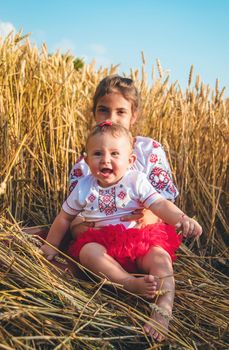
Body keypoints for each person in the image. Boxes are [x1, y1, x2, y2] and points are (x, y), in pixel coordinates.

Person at [41, 122, 202, 342]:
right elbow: (64, 217)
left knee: (161, 259)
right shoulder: (84, 186)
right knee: (88, 253)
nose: (106, 159)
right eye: (98, 153)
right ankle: (128, 282)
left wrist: (182, 218)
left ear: (130, 161)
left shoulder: (136, 180)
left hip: (138, 241)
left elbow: (160, 205)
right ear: (87, 161)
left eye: (115, 153)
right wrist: (50, 246)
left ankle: (162, 310)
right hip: (104, 245)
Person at [69, 75, 179, 236]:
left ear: (133, 116)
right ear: (94, 113)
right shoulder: (84, 166)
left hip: (146, 235)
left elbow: (165, 201)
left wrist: (151, 216)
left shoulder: (148, 150)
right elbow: (74, 218)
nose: (111, 118)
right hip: (101, 240)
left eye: (121, 112)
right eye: (103, 110)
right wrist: (80, 229)